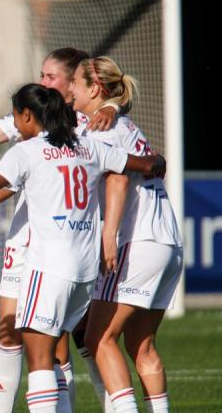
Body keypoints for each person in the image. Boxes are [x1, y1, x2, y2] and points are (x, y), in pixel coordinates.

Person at [0, 83, 165, 413]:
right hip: (85, 271)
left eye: (17, 118)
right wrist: (158, 160)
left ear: (26, 115)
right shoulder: (88, 148)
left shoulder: (27, 152)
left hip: (48, 266)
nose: (15, 126)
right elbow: (149, 165)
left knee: (39, 360)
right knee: (55, 355)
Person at [74, 57, 182, 413]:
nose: (71, 89)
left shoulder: (101, 127)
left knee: (98, 337)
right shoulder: (121, 121)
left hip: (136, 241)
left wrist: (108, 236)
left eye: (75, 82)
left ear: (93, 89)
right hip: (167, 242)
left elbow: (118, 179)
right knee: (142, 345)